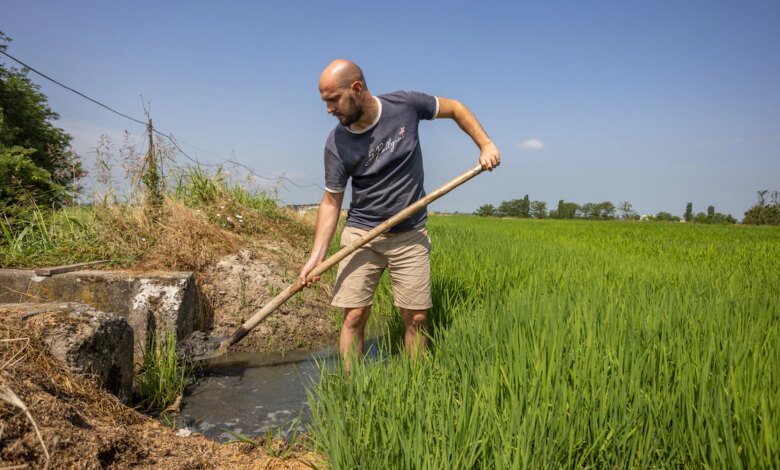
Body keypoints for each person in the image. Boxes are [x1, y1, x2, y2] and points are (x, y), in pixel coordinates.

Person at [299, 59, 500, 369]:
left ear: (357, 88)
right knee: (354, 314)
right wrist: (316, 257)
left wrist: (485, 145)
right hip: (362, 236)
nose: (328, 109)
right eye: (324, 101)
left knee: (416, 317)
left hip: (410, 234)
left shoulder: (405, 105)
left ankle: (415, 384)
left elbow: (456, 108)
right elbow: (331, 202)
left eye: (333, 99)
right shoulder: (336, 144)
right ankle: (351, 388)